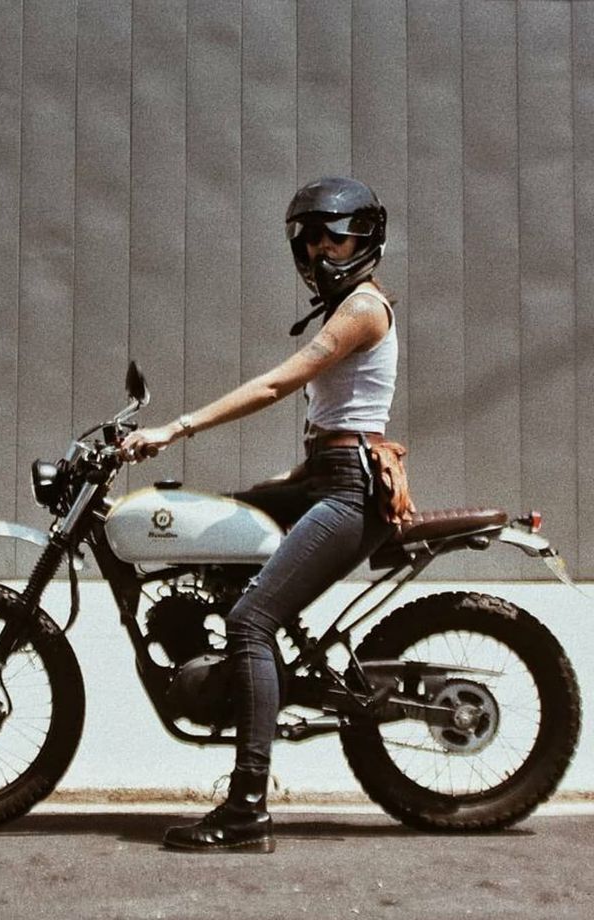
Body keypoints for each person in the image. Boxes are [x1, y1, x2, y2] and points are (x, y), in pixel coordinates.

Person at [122, 176, 399, 853]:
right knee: (217, 519)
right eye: (308, 239)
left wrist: (176, 427)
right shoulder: (346, 305)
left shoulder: (364, 308)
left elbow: (282, 381)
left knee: (250, 619)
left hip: (348, 493)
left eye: (333, 236)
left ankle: (247, 809)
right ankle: (228, 674)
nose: (319, 250)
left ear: (364, 240)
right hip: (323, 477)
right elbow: (333, 423)